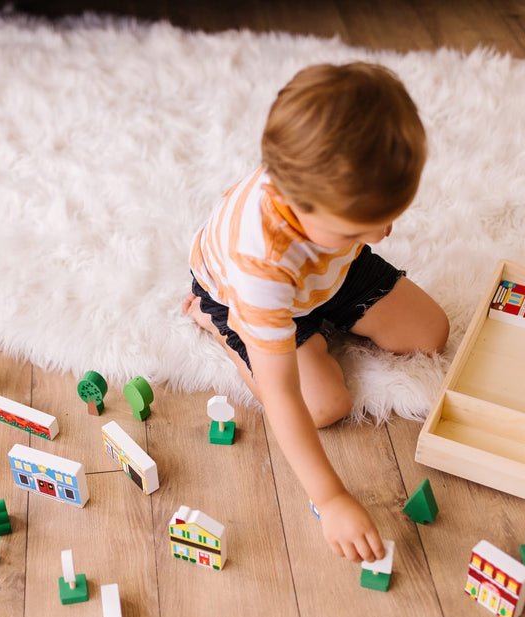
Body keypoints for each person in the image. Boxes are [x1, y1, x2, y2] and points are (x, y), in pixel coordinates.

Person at [184, 62, 449, 563]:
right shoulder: (259, 265)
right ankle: (219, 326)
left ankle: (326, 291)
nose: (380, 236)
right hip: (251, 297)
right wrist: (330, 498)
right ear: (299, 204)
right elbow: (281, 395)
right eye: (360, 229)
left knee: (431, 333)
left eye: (389, 218)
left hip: (328, 272)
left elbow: (360, 229)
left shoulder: (332, 196)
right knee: (323, 406)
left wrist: (350, 241)